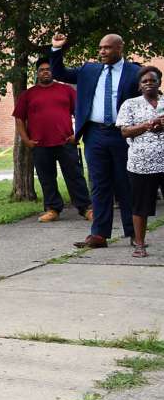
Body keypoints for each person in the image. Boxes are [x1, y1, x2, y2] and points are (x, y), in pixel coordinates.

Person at [50, 33, 141, 248]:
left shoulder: (135, 72)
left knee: (125, 183)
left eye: (108, 48)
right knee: (99, 185)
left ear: (120, 48)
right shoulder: (89, 70)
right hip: (94, 135)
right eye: (100, 48)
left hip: (122, 134)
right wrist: (56, 49)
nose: (102, 52)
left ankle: (133, 233)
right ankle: (99, 234)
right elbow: (60, 73)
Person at [13, 58, 92, 223]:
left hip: (66, 142)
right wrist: (26, 140)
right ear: (37, 73)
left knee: (75, 176)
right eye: (41, 69)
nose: (45, 72)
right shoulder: (28, 94)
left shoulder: (66, 90)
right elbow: (19, 119)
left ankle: (86, 208)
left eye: (48, 69)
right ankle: (52, 209)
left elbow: (80, 113)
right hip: (40, 145)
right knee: (46, 178)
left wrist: (77, 135)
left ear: (53, 72)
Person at [116, 66, 164, 257]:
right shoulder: (130, 104)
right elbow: (125, 131)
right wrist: (146, 125)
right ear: (139, 86)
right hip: (141, 165)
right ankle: (140, 245)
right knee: (140, 206)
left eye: (153, 80)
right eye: (145, 81)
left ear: (159, 83)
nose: (149, 84)